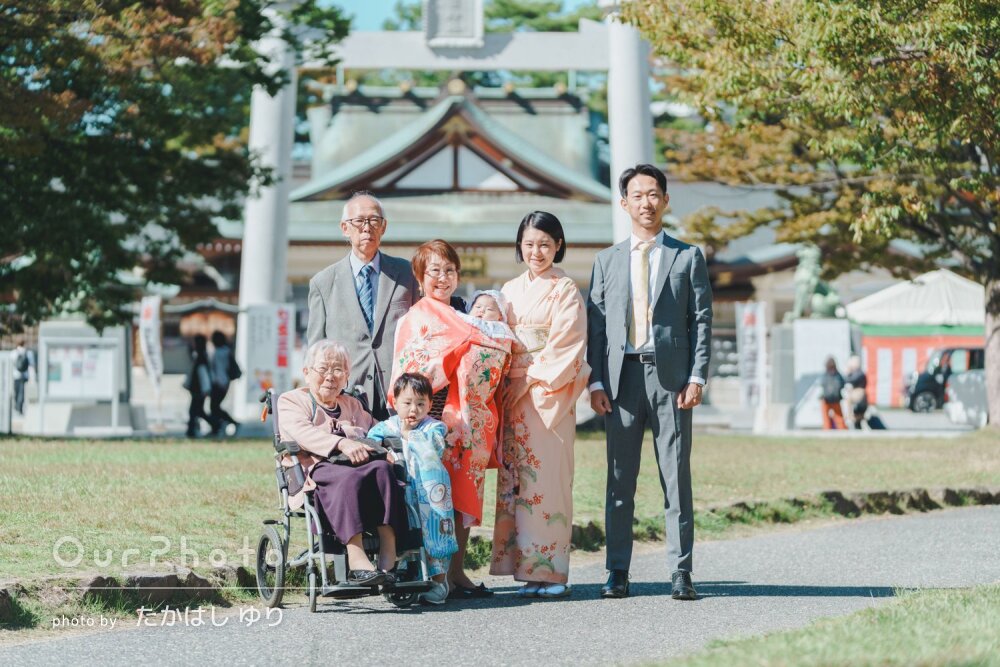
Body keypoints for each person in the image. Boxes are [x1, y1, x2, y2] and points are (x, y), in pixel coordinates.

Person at [587, 164, 713, 601]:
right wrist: (596, 382)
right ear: (624, 203)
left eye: (653, 194)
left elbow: (701, 320)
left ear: (665, 200)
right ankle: (617, 571)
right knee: (619, 479)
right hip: (621, 380)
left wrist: (697, 374)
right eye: (637, 195)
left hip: (672, 381)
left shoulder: (686, 256)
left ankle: (681, 572)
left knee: (675, 477)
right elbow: (597, 329)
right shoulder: (605, 261)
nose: (646, 202)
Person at [390, 239, 511, 598]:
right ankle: (434, 572)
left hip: (469, 419)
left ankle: (457, 572)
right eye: (434, 271)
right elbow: (408, 373)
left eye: (449, 270)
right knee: (433, 496)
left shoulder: (466, 315)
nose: (442, 277)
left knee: (465, 495)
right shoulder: (414, 319)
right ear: (420, 276)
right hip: (430, 418)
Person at [490, 211, 590, 599]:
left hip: (547, 394)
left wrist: (530, 378)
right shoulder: (509, 289)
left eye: (545, 244)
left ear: (559, 246)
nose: (537, 251)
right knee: (516, 483)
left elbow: (569, 343)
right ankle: (523, 569)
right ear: (520, 245)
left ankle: (551, 572)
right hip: (510, 393)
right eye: (529, 244)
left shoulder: (565, 289)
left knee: (547, 482)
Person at [277, 339, 408, 585]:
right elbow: (299, 432)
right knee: (345, 478)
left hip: (359, 465)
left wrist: (395, 441)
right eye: (323, 369)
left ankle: (388, 554)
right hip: (316, 467)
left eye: (338, 370)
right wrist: (341, 443)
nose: (330, 376)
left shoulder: (351, 404)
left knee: (383, 470)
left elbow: (375, 428)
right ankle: (357, 558)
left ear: (347, 376)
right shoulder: (291, 400)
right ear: (307, 373)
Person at [306, 191, 420, 420]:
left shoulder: (407, 274)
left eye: (374, 220)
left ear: (383, 227)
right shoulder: (323, 283)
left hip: (400, 390)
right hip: (347, 391)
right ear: (345, 228)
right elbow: (317, 347)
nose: (366, 227)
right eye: (359, 221)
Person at [367, 372, 457, 605]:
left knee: (434, 533)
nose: (413, 410)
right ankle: (403, 571)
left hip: (430, 494)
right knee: (402, 530)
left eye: (420, 403)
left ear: (429, 404)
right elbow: (371, 442)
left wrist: (409, 436)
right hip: (401, 490)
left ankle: (439, 579)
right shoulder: (385, 427)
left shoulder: (434, 428)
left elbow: (434, 447)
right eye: (407, 403)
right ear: (394, 402)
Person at [208, 331, 238, 436]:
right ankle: (220, 425)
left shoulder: (220, 352)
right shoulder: (225, 351)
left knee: (214, 407)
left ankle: (220, 426)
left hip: (220, 383)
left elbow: (219, 369)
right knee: (214, 407)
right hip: (223, 382)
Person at [184, 334, 213, 438]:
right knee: (198, 410)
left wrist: (205, 389)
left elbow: (203, 375)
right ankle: (213, 425)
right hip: (198, 389)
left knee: (194, 411)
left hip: (199, 389)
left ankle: (192, 430)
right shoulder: (200, 355)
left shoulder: (201, 357)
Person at [820, 357, 847, 430]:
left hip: (826, 399)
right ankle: (843, 431)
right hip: (836, 399)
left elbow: (822, 384)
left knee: (826, 418)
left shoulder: (825, 374)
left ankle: (826, 431)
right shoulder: (838, 374)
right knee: (839, 417)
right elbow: (843, 383)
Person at [844, 355, 868, 430]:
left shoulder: (860, 373)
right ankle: (852, 418)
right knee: (858, 418)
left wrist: (848, 372)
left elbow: (850, 380)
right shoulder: (857, 373)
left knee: (848, 399)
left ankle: (849, 416)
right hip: (858, 395)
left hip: (859, 395)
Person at [11, 338, 33, 416]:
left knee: (16, 392)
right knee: (22, 392)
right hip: (25, 375)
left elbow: (12, 364)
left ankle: (17, 407)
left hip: (16, 375)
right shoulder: (28, 353)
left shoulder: (14, 353)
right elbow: (31, 365)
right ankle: (20, 408)